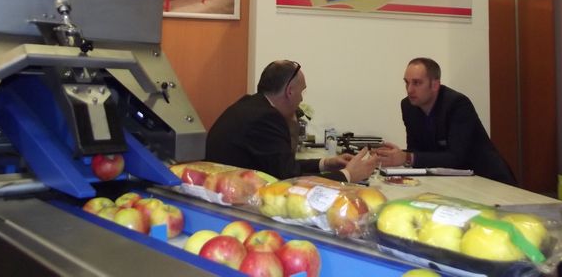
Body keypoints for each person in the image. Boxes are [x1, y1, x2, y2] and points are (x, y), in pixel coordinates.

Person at [205, 60, 378, 183]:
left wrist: (325, 164)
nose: (301, 99)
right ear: (290, 91)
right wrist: (348, 175)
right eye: (302, 92)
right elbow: (290, 181)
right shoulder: (267, 118)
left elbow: (281, 166)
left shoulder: (251, 105)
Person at [375, 57, 517, 185]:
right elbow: (416, 150)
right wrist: (393, 156)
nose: (409, 89)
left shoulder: (457, 104)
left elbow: (456, 157)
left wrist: (406, 157)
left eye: (417, 83)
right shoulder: (408, 106)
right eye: (407, 83)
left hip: (488, 179)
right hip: (452, 182)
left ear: (435, 85)